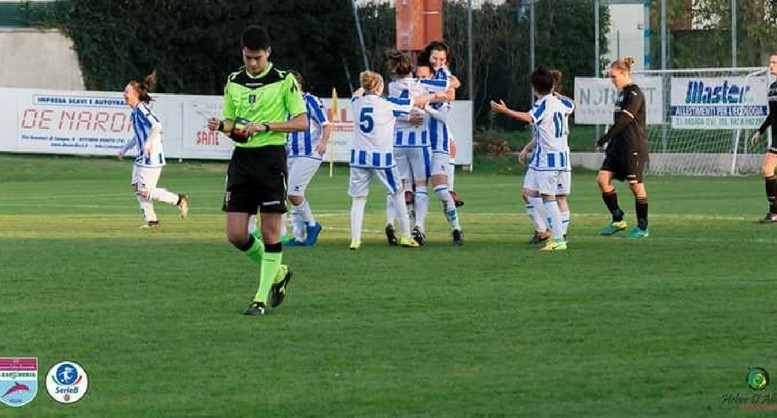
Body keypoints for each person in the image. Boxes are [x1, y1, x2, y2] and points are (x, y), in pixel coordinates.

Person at [206, 25, 307, 316]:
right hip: (242, 161)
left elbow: (302, 122)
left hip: (271, 159)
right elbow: (234, 127)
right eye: (249, 57)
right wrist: (222, 126)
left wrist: (266, 126)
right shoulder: (233, 81)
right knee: (236, 235)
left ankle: (260, 299)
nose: (252, 63)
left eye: (258, 58)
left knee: (270, 231)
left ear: (268, 54)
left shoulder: (284, 81)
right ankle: (279, 272)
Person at [348, 70, 444, 250]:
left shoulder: (356, 103)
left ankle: (355, 240)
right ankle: (406, 236)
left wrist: (364, 86)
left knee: (358, 199)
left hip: (358, 158)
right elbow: (415, 101)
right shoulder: (387, 104)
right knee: (398, 192)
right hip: (382, 158)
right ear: (378, 86)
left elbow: (356, 93)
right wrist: (434, 95)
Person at [491, 65, 574, 251]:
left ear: (533, 87)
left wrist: (506, 111)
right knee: (535, 195)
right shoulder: (561, 103)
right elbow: (572, 104)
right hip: (562, 157)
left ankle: (558, 238)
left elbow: (529, 118)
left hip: (548, 158)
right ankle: (555, 233)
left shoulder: (543, 104)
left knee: (548, 197)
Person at [384, 50, 449, 246]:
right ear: (411, 69)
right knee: (421, 186)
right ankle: (419, 226)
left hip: (398, 142)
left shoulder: (392, 86)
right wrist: (441, 68)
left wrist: (406, 117)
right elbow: (446, 85)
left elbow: (391, 109)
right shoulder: (420, 84)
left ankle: (390, 222)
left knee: (398, 187)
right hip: (419, 142)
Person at [117, 71, 189, 229]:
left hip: (151, 155)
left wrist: (149, 143)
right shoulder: (135, 112)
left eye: (127, 91)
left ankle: (178, 199)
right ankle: (152, 221)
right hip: (142, 156)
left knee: (143, 190)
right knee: (137, 188)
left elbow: (157, 126)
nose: (124, 94)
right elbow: (137, 136)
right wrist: (124, 149)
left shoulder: (141, 110)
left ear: (135, 94)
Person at [595, 57, 650, 238]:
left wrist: (604, 138)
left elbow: (625, 121)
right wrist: (610, 141)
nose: (612, 80)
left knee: (635, 186)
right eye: (611, 77)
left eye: (614, 76)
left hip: (632, 146)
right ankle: (618, 218)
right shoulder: (622, 92)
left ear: (624, 73)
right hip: (617, 146)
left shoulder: (634, 93)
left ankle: (642, 227)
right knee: (602, 180)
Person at [416, 53, 464, 246]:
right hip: (417, 147)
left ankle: (456, 229)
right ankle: (418, 230)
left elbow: (444, 116)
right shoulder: (414, 91)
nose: (422, 80)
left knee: (442, 191)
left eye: (425, 77)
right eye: (419, 77)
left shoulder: (439, 94)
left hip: (437, 147)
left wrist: (426, 106)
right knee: (415, 190)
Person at [283, 70, 330, 245]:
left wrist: (323, 142)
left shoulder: (310, 100)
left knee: (293, 193)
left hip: (309, 153)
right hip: (291, 154)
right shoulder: (284, 103)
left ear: (299, 84)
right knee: (294, 194)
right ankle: (298, 236)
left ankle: (312, 225)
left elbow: (325, 124)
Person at [750, 52, 777, 223]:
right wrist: (759, 131)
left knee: (767, 168)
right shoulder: (773, 87)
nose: (771, 65)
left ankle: (774, 212)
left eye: (774, 62)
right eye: (770, 62)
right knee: (767, 169)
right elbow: (772, 115)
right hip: (775, 134)